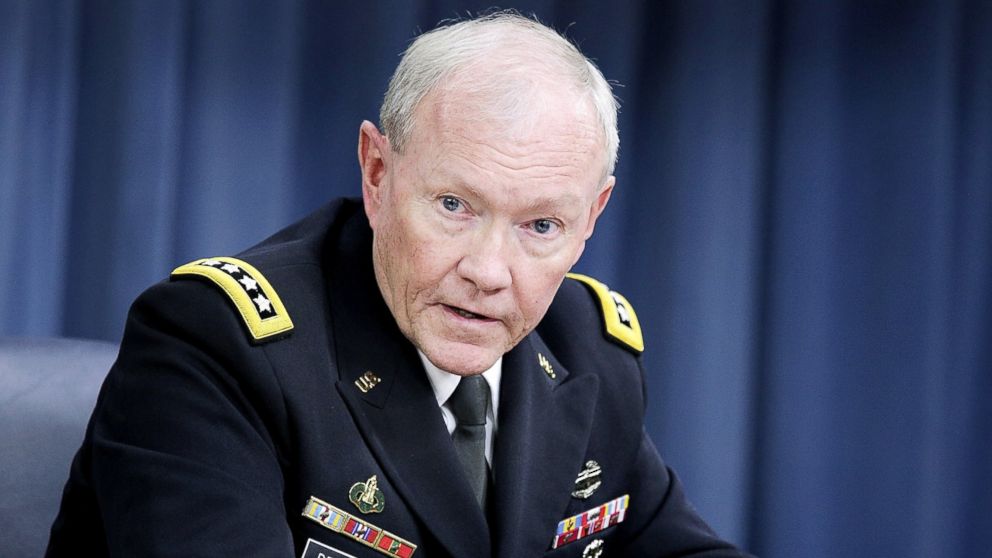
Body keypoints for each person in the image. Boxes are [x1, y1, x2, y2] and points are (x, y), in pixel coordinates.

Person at [46, 12, 753, 558]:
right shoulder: (218, 347)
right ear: (377, 175)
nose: (488, 271)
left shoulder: (589, 351)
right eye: (455, 207)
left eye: (540, 226)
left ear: (591, 218)